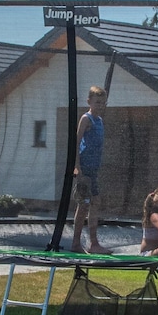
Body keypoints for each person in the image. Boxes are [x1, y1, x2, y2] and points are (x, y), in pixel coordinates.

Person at [71, 86, 111, 254]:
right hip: (84, 168)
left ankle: (93, 243)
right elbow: (76, 142)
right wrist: (77, 167)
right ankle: (78, 243)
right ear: (89, 102)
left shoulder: (99, 120)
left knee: (94, 202)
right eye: (97, 102)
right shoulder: (86, 119)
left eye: (102, 103)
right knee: (84, 205)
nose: (100, 105)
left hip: (93, 169)